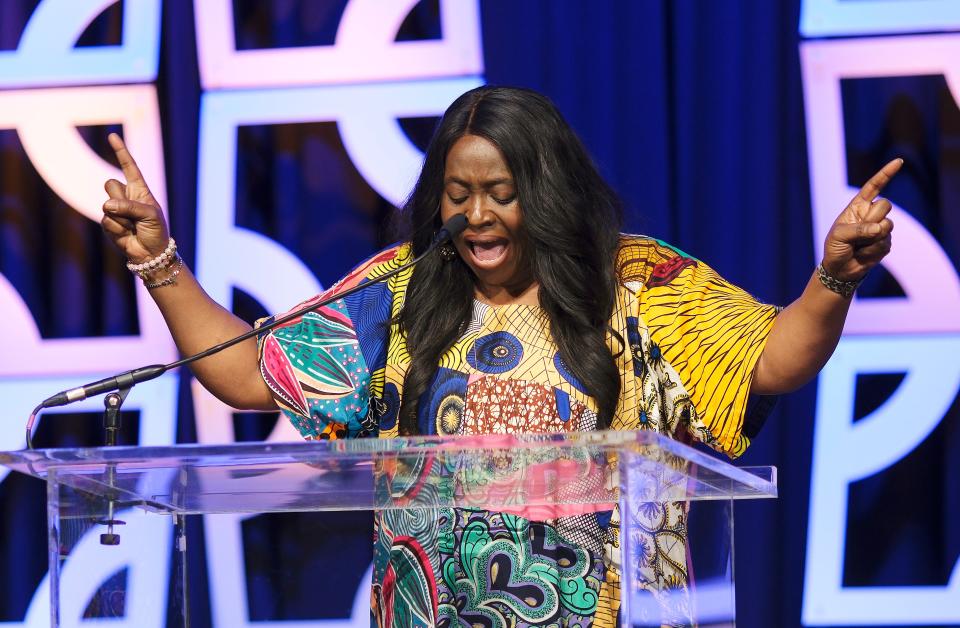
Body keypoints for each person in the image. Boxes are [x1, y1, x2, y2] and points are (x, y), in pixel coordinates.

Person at [101, 86, 899, 627]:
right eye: (458, 192)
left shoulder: (640, 284)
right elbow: (242, 375)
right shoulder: (396, 295)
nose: (476, 215)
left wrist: (835, 277)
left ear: (546, 191)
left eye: (501, 192)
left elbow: (774, 360)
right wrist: (159, 259)